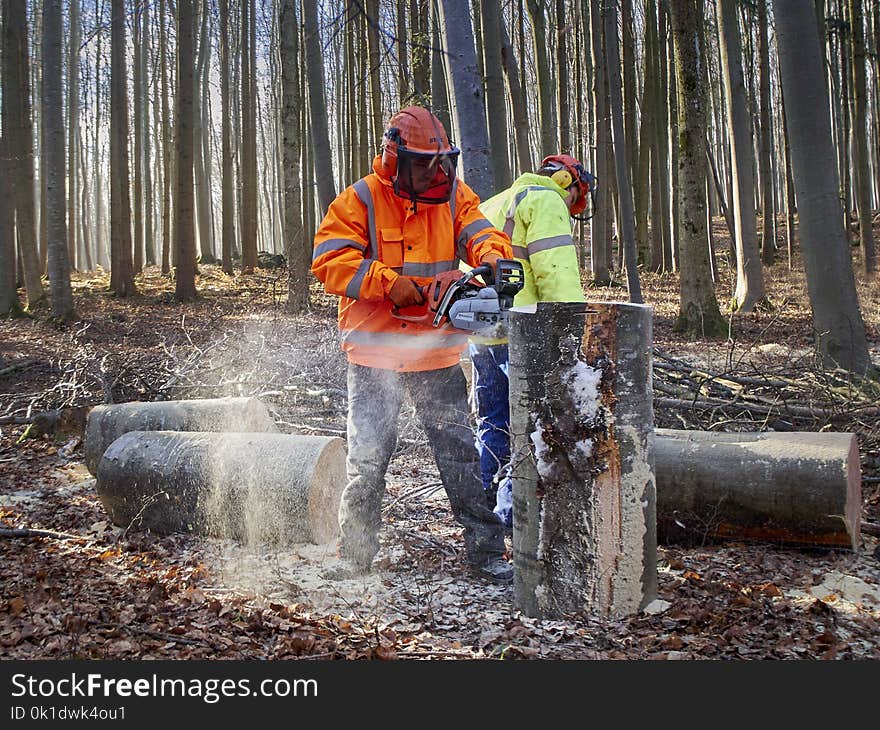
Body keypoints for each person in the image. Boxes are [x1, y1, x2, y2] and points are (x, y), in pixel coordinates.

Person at [311, 106, 515, 583]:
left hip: (435, 353)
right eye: (424, 163)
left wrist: (491, 261)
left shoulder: (452, 196)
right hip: (375, 357)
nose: (434, 171)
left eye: (441, 162)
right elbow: (328, 260)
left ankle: (486, 553)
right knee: (368, 461)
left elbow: (482, 231)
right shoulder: (360, 199)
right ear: (396, 156)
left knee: (460, 454)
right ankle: (355, 555)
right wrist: (388, 283)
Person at [469, 154, 596, 529]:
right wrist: (571, 332)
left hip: (481, 329)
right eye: (574, 196)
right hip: (524, 330)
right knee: (530, 420)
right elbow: (556, 273)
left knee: (492, 416)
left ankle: (483, 499)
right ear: (564, 182)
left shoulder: (495, 202)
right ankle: (513, 513)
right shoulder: (546, 200)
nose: (571, 205)